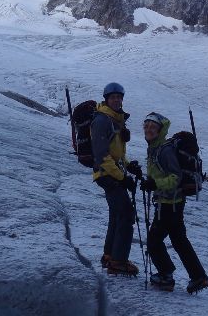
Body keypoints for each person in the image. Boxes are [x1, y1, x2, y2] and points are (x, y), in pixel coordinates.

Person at [141, 112, 208, 294]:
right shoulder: (155, 148)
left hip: (169, 204)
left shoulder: (164, 150)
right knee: (179, 240)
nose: (148, 129)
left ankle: (166, 275)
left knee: (154, 241)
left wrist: (155, 184)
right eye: (146, 126)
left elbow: (175, 177)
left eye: (153, 127)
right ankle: (198, 276)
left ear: (160, 130)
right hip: (173, 202)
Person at [90, 82, 142, 276]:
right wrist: (122, 178)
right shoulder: (102, 120)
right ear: (106, 99)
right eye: (113, 97)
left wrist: (128, 166)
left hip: (111, 173)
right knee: (127, 214)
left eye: (119, 97)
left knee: (117, 214)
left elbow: (116, 154)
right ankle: (118, 261)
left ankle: (109, 255)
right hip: (106, 175)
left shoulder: (115, 120)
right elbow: (102, 155)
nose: (117, 100)